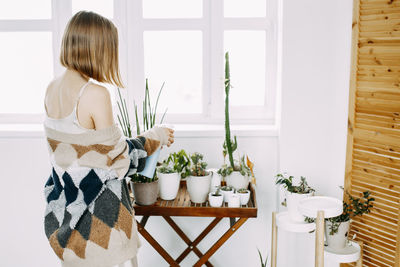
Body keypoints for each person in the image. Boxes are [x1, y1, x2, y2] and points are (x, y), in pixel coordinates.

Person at [43, 11, 174, 267]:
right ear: (97, 50)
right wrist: (154, 137)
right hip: (100, 227)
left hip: (68, 221)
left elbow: (78, 159)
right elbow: (119, 160)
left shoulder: (51, 89)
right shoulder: (94, 94)